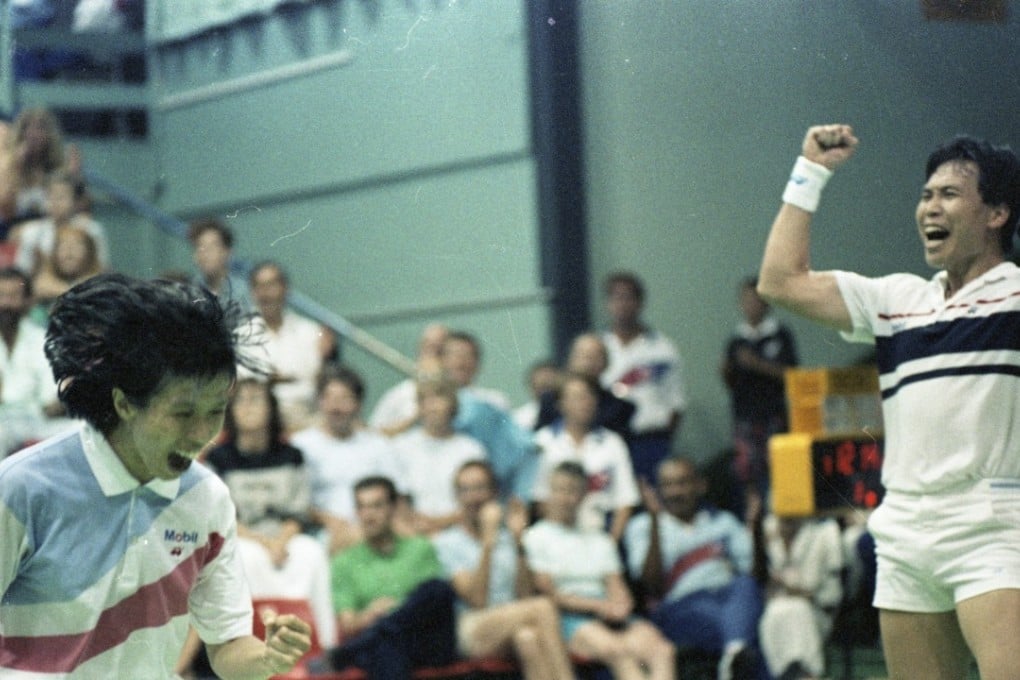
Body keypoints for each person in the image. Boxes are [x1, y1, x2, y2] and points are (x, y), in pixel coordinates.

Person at [757, 124, 1020, 680]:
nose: (930, 206)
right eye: (926, 195)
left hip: (993, 528)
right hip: (904, 530)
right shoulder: (896, 301)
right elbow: (779, 281)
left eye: (949, 194)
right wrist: (811, 172)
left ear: (997, 214)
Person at [0, 273, 311, 678]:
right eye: (182, 414)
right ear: (125, 403)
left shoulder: (206, 498)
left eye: (215, 411)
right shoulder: (23, 488)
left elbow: (229, 646)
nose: (202, 433)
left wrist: (269, 658)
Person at [203, 378, 336, 647]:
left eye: (256, 400)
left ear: (271, 408)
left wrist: (280, 542)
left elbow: (297, 513)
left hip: (285, 537)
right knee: (246, 558)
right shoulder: (218, 459)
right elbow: (221, 517)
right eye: (241, 400)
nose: (248, 408)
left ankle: (325, 647)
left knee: (311, 552)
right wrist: (265, 544)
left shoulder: (292, 455)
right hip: (243, 537)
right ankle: (255, 649)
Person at [524, 461, 677, 680]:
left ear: (584, 495)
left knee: (663, 650)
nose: (565, 498)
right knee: (618, 651)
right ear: (549, 492)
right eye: (559, 490)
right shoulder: (535, 537)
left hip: (609, 613)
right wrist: (599, 607)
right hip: (568, 617)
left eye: (572, 491)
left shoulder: (600, 539)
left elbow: (616, 584)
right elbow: (549, 594)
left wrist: (621, 606)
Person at [432, 460, 577, 680]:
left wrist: (518, 542)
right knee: (544, 606)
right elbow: (477, 601)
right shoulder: (447, 542)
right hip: (470, 628)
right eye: (465, 490)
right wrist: (488, 544)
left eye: (480, 488)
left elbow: (524, 595)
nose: (474, 497)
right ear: (458, 496)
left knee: (527, 638)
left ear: (493, 492)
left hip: (512, 621)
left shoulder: (507, 537)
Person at [624, 456, 763, 680]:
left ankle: (734, 654)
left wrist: (756, 530)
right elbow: (652, 585)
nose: (675, 492)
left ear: (700, 485)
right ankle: (737, 654)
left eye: (682, 483)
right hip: (681, 606)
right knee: (739, 622)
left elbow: (754, 574)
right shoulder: (641, 526)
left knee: (746, 587)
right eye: (667, 485)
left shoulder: (723, 521)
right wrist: (655, 523)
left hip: (728, 597)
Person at [310, 475, 458, 679]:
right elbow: (349, 623)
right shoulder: (344, 562)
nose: (368, 515)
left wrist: (393, 612)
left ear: (393, 508)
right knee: (385, 648)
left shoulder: (420, 547)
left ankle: (348, 652)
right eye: (362, 507)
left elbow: (433, 605)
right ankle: (367, 641)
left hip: (427, 642)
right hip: (383, 645)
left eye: (376, 506)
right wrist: (369, 614)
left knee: (438, 588)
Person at [290, 364, 407, 553]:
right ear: (320, 402)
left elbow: (398, 496)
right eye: (330, 398)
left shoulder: (379, 444)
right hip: (323, 529)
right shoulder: (301, 445)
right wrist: (329, 520)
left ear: (358, 404)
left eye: (345, 399)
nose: (336, 407)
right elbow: (297, 501)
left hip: (377, 526)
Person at [720, 276, 798, 515]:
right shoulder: (735, 340)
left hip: (773, 415)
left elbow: (792, 375)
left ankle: (780, 516)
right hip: (745, 418)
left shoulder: (780, 334)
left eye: (757, 299)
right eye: (746, 300)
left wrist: (757, 364)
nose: (751, 304)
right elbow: (730, 383)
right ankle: (754, 519)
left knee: (778, 472)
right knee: (748, 474)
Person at [601, 272, 687, 483]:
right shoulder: (598, 347)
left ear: (640, 302)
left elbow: (676, 402)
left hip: (651, 441)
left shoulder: (662, 348)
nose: (622, 304)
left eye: (628, 297)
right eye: (616, 297)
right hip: (610, 441)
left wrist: (663, 438)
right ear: (608, 303)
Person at [533, 372, 640, 542]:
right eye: (577, 397)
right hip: (556, 538)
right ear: (561, 404)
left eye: (589, 396)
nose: (585, 403)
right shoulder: (542, 442)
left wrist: (609, 547)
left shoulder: (612, 443)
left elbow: (625, 500)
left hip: (601, 533)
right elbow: (539, 498)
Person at [245, 260, 337, 431]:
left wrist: (327, 359)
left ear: (285, 289)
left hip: (307, 418)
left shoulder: (310, 331)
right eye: (259, 286)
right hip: (260, 424)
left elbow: (316, 382)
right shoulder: (240, 336)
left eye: (271, 285)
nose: (265, 293)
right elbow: (242, 386)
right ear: (253, 292)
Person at [391, 376, 488, 535]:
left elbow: (479, 500)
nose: (432, 407)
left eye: (439, 399)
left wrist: (439, 524)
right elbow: (398, 499)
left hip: (460, 532)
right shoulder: (401, 446)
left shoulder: (471, 449)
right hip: (413, 532)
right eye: (425, 401)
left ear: (452, 405)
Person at [758, 514, 842, 680]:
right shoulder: (770, 531)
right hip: (779, 613)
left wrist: (802, 593)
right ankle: (785, 673)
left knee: (798, 608)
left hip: (816, 613)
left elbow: (832, 595)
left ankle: (807, 674)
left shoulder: (825, 532)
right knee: (774, 611)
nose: (786, 525)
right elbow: (765, 586)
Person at [0, 267, 63, 455]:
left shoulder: (42, 340)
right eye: (0, 295)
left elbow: (50, 401)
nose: (4, 304)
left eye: (12, 296)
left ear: (28, 301)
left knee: (83, 429)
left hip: (35, 421)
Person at [535, 332, 636, 439]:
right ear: (571, 359)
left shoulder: (618, 408)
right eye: (583, 355)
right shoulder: (551, 401)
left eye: (595, 356)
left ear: (606, 363)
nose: (589, 362)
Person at [0, 108, 82, 236]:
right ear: (21, 133)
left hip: (53, 228)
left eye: (40, 129)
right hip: (14, 229)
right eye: (29, 129)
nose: (34, 135)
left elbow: (78, 208)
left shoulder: (60, 167)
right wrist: (16, 166)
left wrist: (73, 177)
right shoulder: (10, 163)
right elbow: (6, 209)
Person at [369, 321, 448, 436]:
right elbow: (374, 434)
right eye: (428, 347)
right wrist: (417, 416)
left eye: (439, 349)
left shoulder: (460, 394)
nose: (432, 355)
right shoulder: (399, 394)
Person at [30, 225, 104, 314]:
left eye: (77, 245)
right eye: (63, 246)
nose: (69, 252)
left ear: (90, 252)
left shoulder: (100, 282)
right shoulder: (44, 280)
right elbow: (41, 286)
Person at [187, 217, 252, 311]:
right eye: (199, 248)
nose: (204, 254)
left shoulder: (245, 292)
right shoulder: (187, 293)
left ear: (227, 252)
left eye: (211, 247)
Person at [512, 358, 560, 430]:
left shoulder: (569, 414)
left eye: (549, 387)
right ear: (531, 386)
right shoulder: (519, 418)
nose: (546, 395)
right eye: (542, 387)